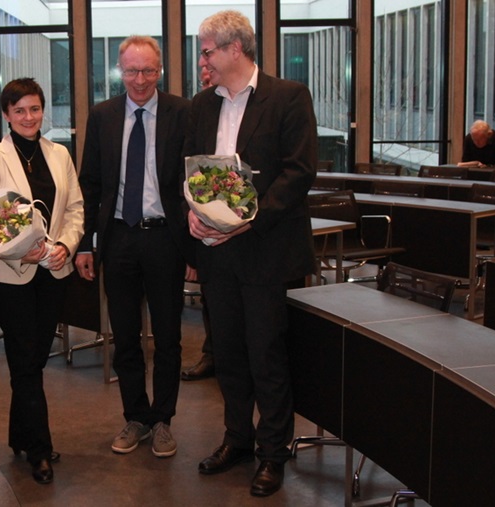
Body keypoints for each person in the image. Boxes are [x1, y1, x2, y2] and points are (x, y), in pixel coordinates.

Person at [184, 10, 317, 497]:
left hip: (266, 252)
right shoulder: (202, 106)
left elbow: (299, 173)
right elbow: (192, 174)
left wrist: (247, 220)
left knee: (267, 356)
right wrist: (193, 215)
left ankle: (272, 453)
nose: (203, 60)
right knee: (230, 355)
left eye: (206, 51)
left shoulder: (288, 97)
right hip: (217, 255)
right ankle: (237, 439)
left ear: (234, 49)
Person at [75, 36, 193, 458]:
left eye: (147, 71)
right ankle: (136, 417)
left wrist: (194, 249)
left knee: (168, 337)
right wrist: (87, 244)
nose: (139, 80)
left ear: (160, 71)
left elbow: (194, 183)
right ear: (119, 71)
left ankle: (163, 419)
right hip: (119, 239)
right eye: (130, 71)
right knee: (124, 336)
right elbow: (89, 184)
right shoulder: (103, 115)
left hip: (166, 239)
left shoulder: (183, 113)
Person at [0, 78, 84, 485]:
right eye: (19, 110)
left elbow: (74, 209)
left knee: (34, 358)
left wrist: (67, 247)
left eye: (35, 109)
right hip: (8, 273)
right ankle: (39, 449)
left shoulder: (59, 154)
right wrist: (25, 250)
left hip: (54, 270)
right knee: (24, 358)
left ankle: (20, 435)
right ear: (6, 114)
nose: (28, 117)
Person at [181, 66, 215, 382]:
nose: (207, 75)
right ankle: (212, 353)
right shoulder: (200, 110)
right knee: (212, 302)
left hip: (252, 234)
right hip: (203, 229)